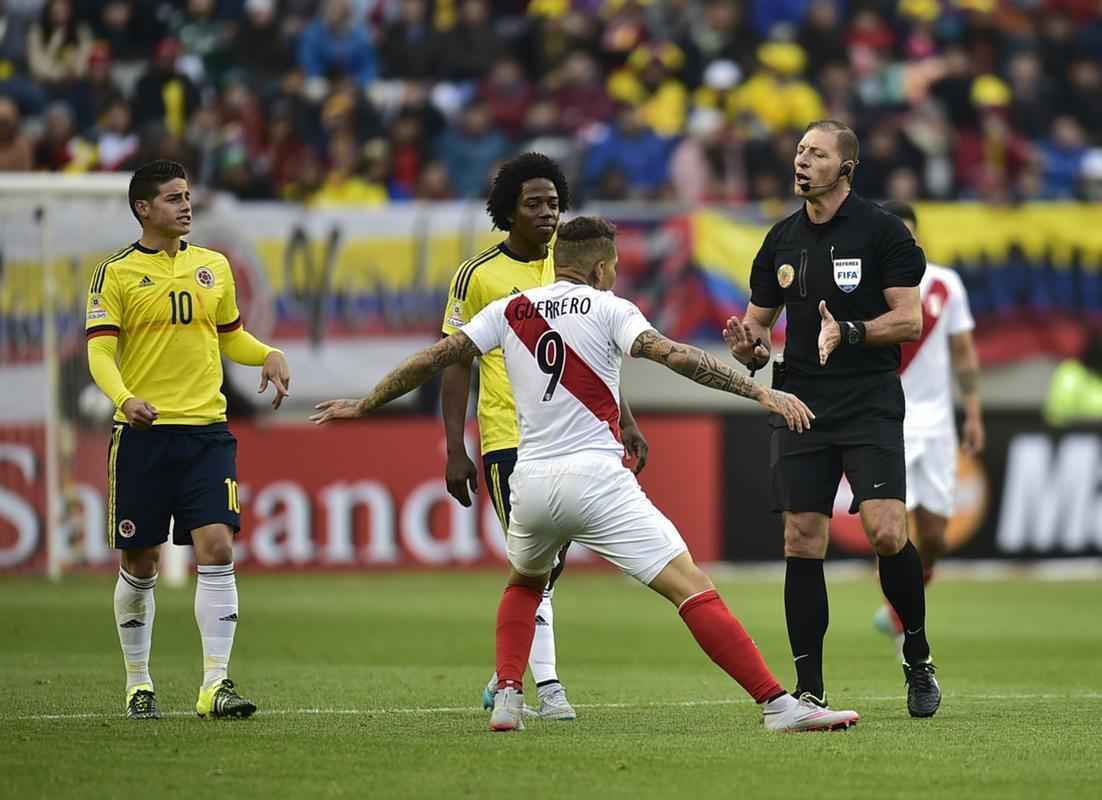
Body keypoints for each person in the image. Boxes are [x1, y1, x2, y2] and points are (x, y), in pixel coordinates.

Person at [312, 216, 860, 735]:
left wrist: (367, 404)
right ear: (600, 268)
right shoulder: (610, 308)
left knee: (525, 583)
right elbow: (676, 357)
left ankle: (508, 696)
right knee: (691, 587)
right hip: (597, 480)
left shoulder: (510, 309)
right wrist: (760, 390)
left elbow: (437, 357)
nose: (615, 275)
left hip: (531, 481)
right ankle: (775, 703)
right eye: (615, 267)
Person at [725, 120, 941, 718]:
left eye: (816, 154)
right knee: (802, 538)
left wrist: (849, 331)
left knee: (887, 532)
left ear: (845, 169)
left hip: (869, 398)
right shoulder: (780, 239)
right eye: (798, 151)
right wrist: (749, 347)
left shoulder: (883, 232)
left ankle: (917, 656)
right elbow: (759, 329)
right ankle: (811, 689)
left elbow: (908, 321)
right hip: (801, 402)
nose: (801, 162)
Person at [440, 152, 649, 721]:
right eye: (533, 203)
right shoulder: (478, 276)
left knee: (547, 564)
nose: (547, 213)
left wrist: (624, 418)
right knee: (538, 566)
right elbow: (455, 361)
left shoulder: (569, 267)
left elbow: (593, 355)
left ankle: (503, 678)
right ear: (507, 210)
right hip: (511, 435)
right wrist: (456, 446)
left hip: (580, 433)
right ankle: (549, 688)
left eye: (554, 203)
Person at [86, 160, 291, 720]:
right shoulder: (117, 273)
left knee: (218, 547)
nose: (185, 205)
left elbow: (232, 337)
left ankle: (215, 685)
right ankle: (138, 682)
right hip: (143, 435)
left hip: (207, 432)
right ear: (143, 209)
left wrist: (266, 353)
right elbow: (100, 351)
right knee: (141, 560)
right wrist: (124, 398)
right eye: (173, 198)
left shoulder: (214, 267)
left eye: (188, 196)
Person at [873, 201, 984, 642]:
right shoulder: (865, 286)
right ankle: (903, 623)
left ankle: (914, 586)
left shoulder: (945, 284)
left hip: (937, 424)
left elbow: (963, 351)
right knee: (889, 528)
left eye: (910, 235)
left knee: (935, 536)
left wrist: (973, 411)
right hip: (885, 421)